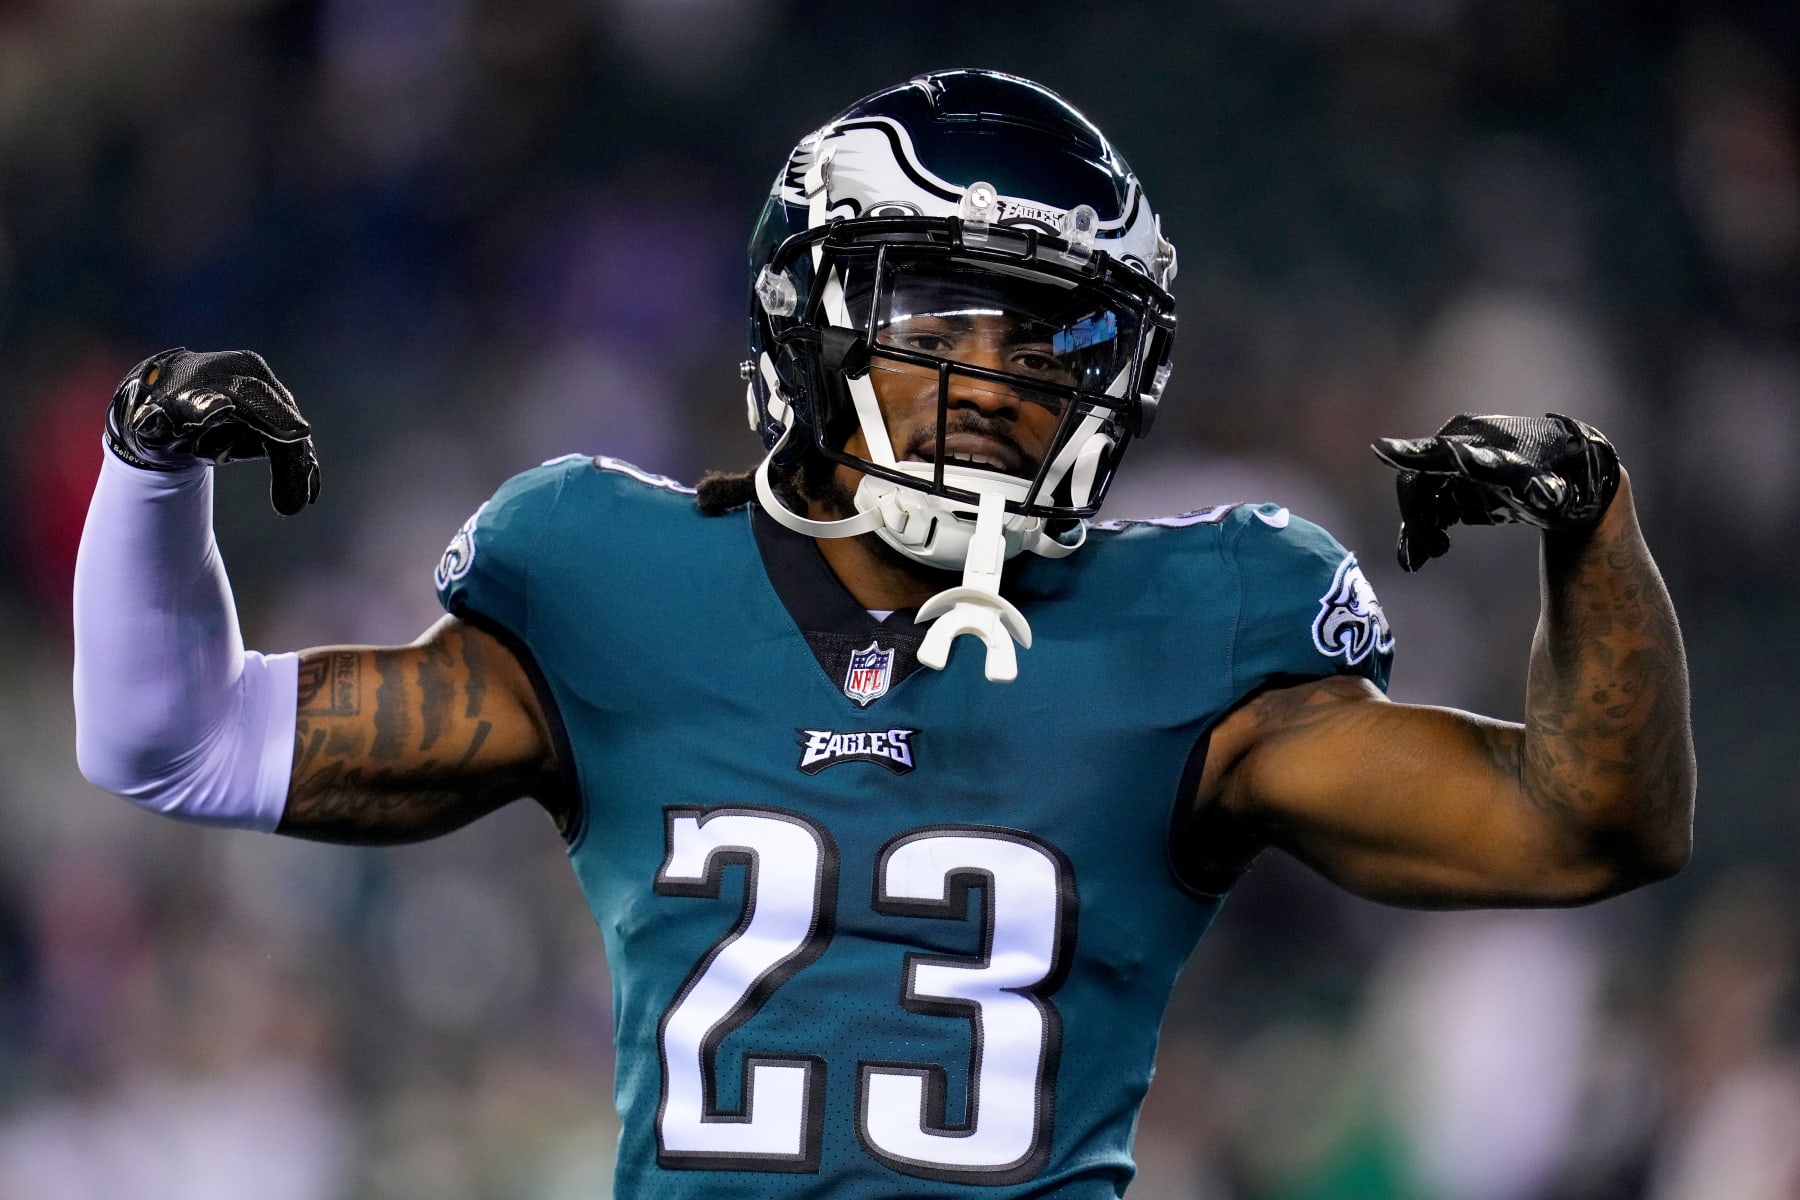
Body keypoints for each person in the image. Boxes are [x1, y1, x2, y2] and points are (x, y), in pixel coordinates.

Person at [72, 69, 1694, 1199]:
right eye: (941, 312)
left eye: (1053, 333)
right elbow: (176, 741)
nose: (998, 376)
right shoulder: (610, 579)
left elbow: (1590, 825)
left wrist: (1590, 530)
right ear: (808, 308)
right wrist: (148, 481)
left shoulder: (1197, 628)